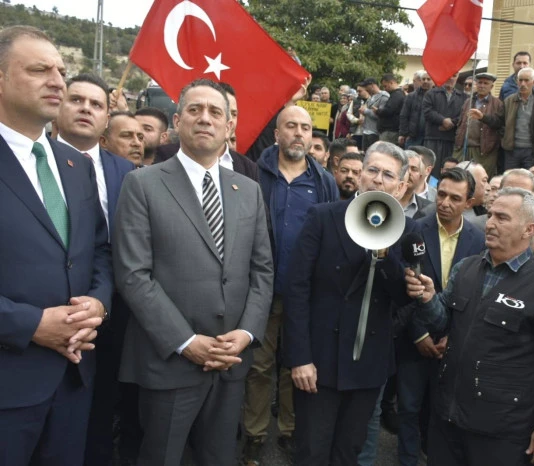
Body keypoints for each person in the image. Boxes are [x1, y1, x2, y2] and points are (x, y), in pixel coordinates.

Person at [113, 79, 274, 466]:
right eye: (195, 109)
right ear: (176, 121)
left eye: (215, 112)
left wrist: (246, 333)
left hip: (231, 362)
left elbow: (262, 270)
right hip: (170, 362)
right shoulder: (142, 183)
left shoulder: (248, 190)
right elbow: (134, 274)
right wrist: (185, 341)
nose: (205, 118)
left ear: (228, 126)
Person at [0, 25, 112, 465]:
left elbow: (99, 251)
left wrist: (99, 303)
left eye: (61, 71)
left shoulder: (74, 166)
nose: (57, 82)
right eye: (39, 70)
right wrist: (29, 324)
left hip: (73, 381)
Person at [405, 187, 534, 466]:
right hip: (448, 419)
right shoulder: (466, 268)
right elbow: (443, 324)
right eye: (490, 215)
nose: (490, 224)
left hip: (502, 431)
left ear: (529, 229)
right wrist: (428, 300)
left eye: (502, 217)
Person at [284, 141, 412, 466]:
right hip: (319, 361)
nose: (378, 179)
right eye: (373, 170)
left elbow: (403, 298)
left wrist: (386, 255)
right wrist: (300, 357)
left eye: (388, 175)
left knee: (348, 453)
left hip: (368, 365)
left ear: (400, 186)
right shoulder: (323, 217)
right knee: (311, 452)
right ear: (361, 174)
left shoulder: (406, 231)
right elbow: (297, 289)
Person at [244, 106, 339, 465]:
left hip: (305, 293)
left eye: (306, 128)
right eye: (292, 126)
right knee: (258, 366)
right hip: (261, 289)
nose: (299, 133)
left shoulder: (324, 181)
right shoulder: (256, 174)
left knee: (295, 364)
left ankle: (289, 430)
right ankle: (254, 434)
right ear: (277, 134)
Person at [54, 72, 137, 465]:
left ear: (107, 118)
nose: (86, 109)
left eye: (97, 104)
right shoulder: (32, 162)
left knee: (102, 407)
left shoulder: (127, 172)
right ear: (58, 106)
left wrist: (104, 301)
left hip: (115, 309)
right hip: (55, 313)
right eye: (77, 100)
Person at [394, 168, 485, 466]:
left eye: (455, 198)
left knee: (441, 412)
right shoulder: (413, 231)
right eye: (441, 194)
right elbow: (403, 289)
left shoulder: (479, 240)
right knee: (408, 407)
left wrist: (451, 335)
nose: (445, 202)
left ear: (469, 203)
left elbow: (476, 294)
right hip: (413, 338)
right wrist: (419, 334)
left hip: (452, 342)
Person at [499, 67, 534, 171]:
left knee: (529, 178)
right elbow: (500, 122)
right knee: (510, 178)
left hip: (531, 151)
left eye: (526, 80)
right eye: (520, 80)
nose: (523, 84)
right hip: (512, 151)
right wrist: (483, 117)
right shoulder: (509, 100)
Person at [454, 73, 503, 176]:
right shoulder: (468, 101)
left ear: (491, 86)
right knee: (459, 176)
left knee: (479, 178)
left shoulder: (497, 103)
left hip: (484, 150)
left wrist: (483, 117)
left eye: (486, 83)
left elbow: (499, 124)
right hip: (463, 147)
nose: (482, 86)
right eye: (480, 82)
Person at [422, 71, 466, 178]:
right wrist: (442, 120)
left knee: (449, 170)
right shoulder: (431, 93)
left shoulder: (463, 97)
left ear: (457, 77)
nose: (450, 78)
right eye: (448, 75)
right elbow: (427, 111)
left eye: (454, 76)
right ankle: (432, 187)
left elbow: (464, 114)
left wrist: (452, 122)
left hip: (451, 139)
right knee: (431, 168)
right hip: (433, 137)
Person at [399, 71, 433, 148]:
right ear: (420, 81)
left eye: (428, 79)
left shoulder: (437, 96)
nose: (425, 81)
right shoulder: (411, 96)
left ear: (433, 81)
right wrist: (404, 134)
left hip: (430, 138)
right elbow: (404, 115)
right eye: (423, 79)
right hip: (413, 137)